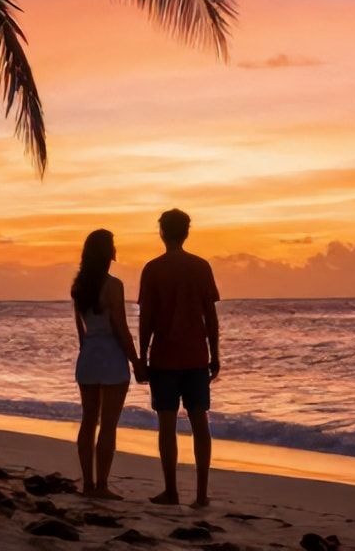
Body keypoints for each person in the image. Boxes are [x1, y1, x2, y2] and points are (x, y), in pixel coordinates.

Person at [137, 208, 221, 507]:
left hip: (164, 358)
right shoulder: (201, 266)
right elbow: (210, 317)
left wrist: (141, 357)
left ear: (162, 232)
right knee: (200, 423)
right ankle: (201, 494)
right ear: (186, 232)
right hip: (196, 355)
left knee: (167, 425)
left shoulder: (152, 269)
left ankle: (171, 490)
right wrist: (215, 353)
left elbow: (145, 319)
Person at [71, 228, 142, 499]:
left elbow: (81, 330)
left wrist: (87, 349)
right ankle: (101, 485)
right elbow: (120, 327)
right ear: (107, 251)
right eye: (113, 244)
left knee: (88, 421)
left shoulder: (79, 287)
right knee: (108, 424)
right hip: (111, 356)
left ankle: (87, 484)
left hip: (88, 355)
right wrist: (136, 360)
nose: (116, 248)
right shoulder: (113, 285)